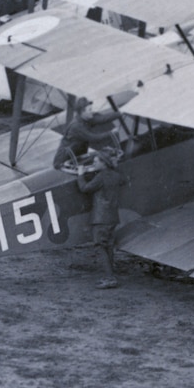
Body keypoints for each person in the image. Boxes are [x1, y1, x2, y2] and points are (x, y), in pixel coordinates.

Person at [76, 147, 126, 289]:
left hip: (100, 217)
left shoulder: (101, 176)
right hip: (112, 216)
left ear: (103, 163)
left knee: (100, 246)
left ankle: (110, 278)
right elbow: (122, 180)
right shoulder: (116, 175)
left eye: (96, 160)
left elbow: (85, 188)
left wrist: (80, 175)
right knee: (108, 246)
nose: (94, 162)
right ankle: (111, 274)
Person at [57, 99, 121, 170]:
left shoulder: (84, 118)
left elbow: (102, 119)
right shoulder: (77, 126)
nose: (92, 112)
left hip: (77, 154)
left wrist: (120, 113)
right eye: (90, 110)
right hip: (65, 160)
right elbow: (93, 138)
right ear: (83, 112)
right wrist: (111, 133)